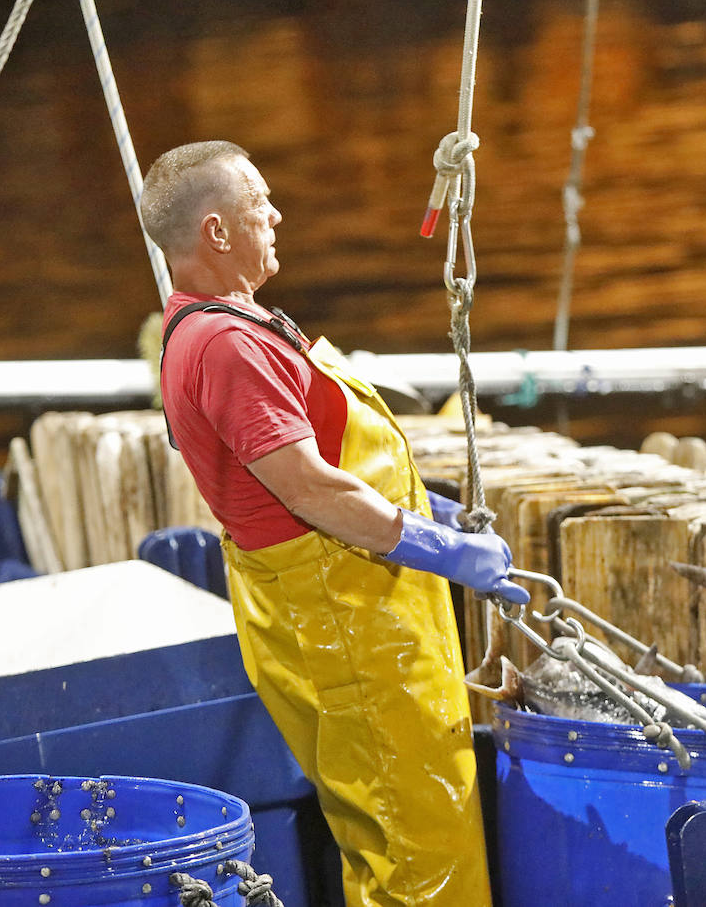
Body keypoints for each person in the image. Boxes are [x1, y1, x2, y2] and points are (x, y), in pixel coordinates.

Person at [139, 140, 525, 907]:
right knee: (422, 848)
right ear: (216, 232)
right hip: (345, 623)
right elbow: (308, 486)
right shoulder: (226, 345)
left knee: (378, 836)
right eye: (259, 203)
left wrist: (430, 506)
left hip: (336, 613)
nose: (276, 215)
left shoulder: (215, 322)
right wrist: (443, 548)